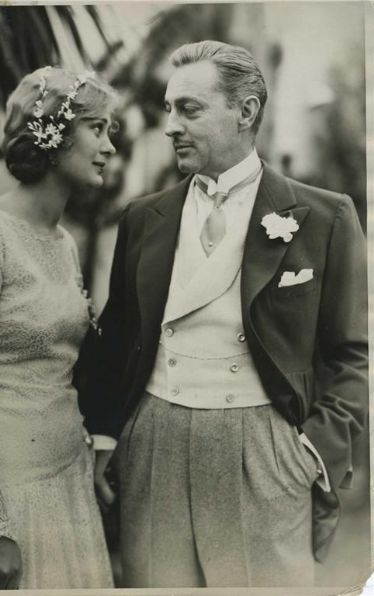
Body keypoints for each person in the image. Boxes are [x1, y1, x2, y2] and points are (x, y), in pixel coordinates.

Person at [75, 41, 368, 588]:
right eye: (169, 109)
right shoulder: (144, 218)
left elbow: (352, 354)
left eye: (189, 109)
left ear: (245, 111)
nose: (171, 126)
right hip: (155, 444)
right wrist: (111, 437)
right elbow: (118, 338)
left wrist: (312, 453)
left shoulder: (325, 217)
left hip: (264, 449)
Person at [0, 66, 117, 590]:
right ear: (54, 136)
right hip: (8, 499)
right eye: (97, 129)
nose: (109, 147)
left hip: (67, 486)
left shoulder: (64, 242)